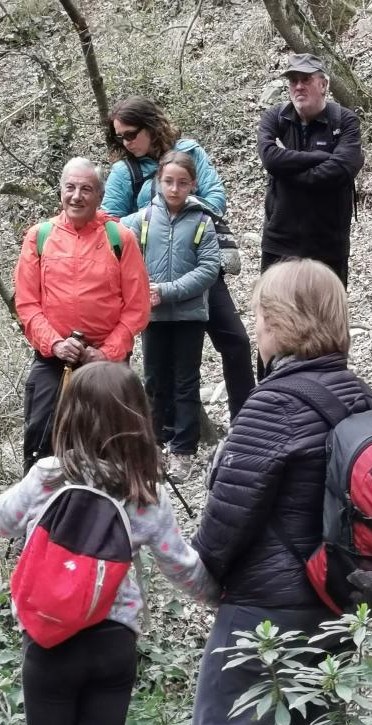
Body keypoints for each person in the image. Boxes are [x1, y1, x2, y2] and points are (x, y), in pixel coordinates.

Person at [190, 258, 372, 725]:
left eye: (259, 316)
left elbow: (228, 519)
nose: (256, 328)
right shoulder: (360, 397)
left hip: (266, 607)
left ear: (279, 322)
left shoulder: (273, 402)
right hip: (339, 601)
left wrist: (205, 569)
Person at [0, 361, 219, 725]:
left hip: (50, 640)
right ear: (138, 418)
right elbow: (182, 567)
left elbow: (1, 520)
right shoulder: (145, 490)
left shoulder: (49, 476)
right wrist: (221, 597)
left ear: (69, 414)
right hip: (114, 641)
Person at [102, 96, 255, 422]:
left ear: (152, 126)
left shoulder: (190, 152)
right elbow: (112, 228)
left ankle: (247, 421)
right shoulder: (122, 172)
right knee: (163, 364)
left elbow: (216, 197)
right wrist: (155, 218)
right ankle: (165, 436)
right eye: (120, 137)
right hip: (154, 278)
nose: (126, 143)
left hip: (200, 267)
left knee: (236, 342)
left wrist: (178, 210)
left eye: (131, 134)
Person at [14, 157, 149, 474]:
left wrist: (105, 352)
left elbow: (137, 307)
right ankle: (41, 513)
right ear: (60, 191)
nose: (76, 196)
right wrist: (55, 344)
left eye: (86, 189)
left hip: (107, 363)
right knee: (42, 439)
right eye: (70, 188)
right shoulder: (39, 236)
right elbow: (27, 303)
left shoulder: (120, 238)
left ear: (99, 195)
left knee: (110, 442)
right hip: (53, 359)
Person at [122, 151, 220, 483]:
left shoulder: (203, 220)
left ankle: (183, 451)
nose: (174, 189)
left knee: (186, 382)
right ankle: (153, 447)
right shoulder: (142, 220)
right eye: (168, 182)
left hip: (190, 316)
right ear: (158, 182)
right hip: (154, 318)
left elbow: (208, 270)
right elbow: (117, 245)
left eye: (182, 183)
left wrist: (166, 290)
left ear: (193, 184)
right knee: (153, 382)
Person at [257, 53, 364, 289]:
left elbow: (341, 169)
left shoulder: (345, 121)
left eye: (305, 79)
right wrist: (320, 157)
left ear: (323, 84)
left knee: (325, 322)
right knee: (277, 320)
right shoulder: (274, 118)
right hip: (280, 242)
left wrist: (289, 170)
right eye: (293, 81)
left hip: (328, 245)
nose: (298, 86)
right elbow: (271, 159)